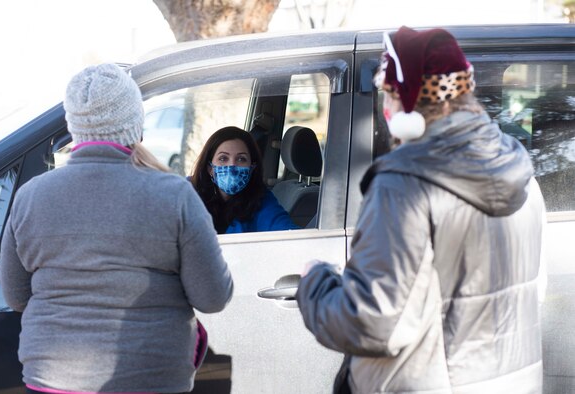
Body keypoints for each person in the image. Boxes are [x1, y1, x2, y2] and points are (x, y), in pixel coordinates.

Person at [296, 26, 546, 394]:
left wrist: (314, 281)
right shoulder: (520, 173)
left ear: (409, 100)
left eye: (389, 93)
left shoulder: (405, 186)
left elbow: (372, 321)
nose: (385, 107)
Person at [0, 63, 233, 394]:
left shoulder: (30, 197)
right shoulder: (174, 194)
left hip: (52, 380)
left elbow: (16, 296)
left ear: (73, 126)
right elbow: (212, 297)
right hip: (153, 378)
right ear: (135, 125)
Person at [190, 126, 299, 234]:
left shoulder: (261, 200)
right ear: (210, 168)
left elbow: (287, 233)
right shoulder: (186, 193)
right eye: (223, 158)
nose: (232, 166)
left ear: (251, 168)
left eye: (241, 159)